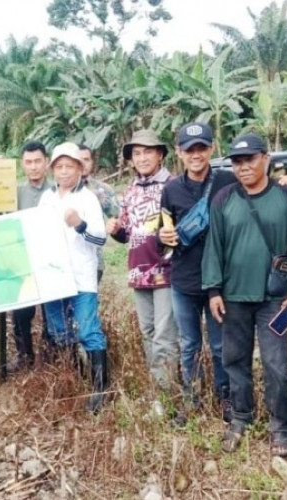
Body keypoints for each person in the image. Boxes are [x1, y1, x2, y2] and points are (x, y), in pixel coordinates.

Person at [202, 132, 287, 457]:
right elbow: (215, 247)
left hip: (274, 300)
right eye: (237, 161)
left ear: (266, 159)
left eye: (250, 159)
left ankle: (281, 426)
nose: (243, 167)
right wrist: (214, 291)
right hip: (233, 298)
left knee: (276, 363)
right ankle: (240, 416)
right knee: (234, 360)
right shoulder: (224, 198)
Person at [159, 123, 233, 419]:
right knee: (189, 344)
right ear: (179, 152)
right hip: (183, 281)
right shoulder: (171, 190)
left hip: (220, 282)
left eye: (201, 148)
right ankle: (191, 399)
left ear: (212, 149)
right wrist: (161, 238)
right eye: (189, 149)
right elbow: (162, 231)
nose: (196, 154)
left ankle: (225, 398)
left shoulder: (228, 182)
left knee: (219, 345)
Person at [106, 129, 179, 407]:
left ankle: (166, 397)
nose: (143, 157)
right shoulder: (131, 189)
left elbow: (181, 226)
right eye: (137, 153)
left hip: (166, 270)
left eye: (148, 151)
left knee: (164, 335)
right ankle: (159, 388)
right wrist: (115, 229)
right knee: (147, 333)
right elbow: (126, 232)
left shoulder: (173, 185)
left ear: (160, 155)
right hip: (138, 271)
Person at [38, 142, 109, 412]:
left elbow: (100, 239)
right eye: (60, 166)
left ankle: (100, 388)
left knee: (89, 329)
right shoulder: (47, 198)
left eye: (70, 166)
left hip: (81, 277)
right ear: (52, 169)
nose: (65, 171)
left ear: (80, 169)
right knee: (59, 331)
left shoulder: (87, 199)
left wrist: (79, 224)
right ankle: (74, 379)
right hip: (53, 278)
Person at [9, 141, 52, 372]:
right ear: (22, 165)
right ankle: (24, 357)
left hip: (50, 263)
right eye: (28, 162)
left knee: (51, 313)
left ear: (46, 162)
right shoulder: (15, 194)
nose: (33, 167)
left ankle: (49, 357)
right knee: (21, 315)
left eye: (38, 161)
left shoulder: (56, 191)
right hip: (23, 264)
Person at [78, 144, 120, 283]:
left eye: (86, 159)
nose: (83, 164)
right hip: (66, 261)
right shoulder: (58, 190)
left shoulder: (101, 190)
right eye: (79, 159)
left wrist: (111, 227)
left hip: (94, 258)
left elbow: (119, 215)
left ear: (92, 162)